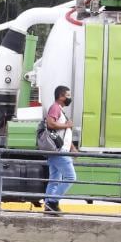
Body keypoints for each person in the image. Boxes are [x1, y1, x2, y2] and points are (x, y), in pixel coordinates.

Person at [43, 85, 76, 214]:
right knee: (71, 177)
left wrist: (73, 148)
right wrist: (67, 124)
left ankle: (48, 207)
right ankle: (52, 201)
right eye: (67, 95)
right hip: (59, 151)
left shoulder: (60, 110)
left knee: (54, 180)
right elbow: (50, 123)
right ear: (60, 96)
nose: (69, 98)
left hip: (59, 150)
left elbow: (63, 133)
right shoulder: (55, 108)